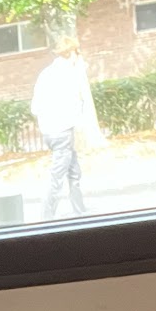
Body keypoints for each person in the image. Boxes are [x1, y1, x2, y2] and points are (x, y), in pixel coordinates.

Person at [31, 35, 100, 219]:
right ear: (71, 53)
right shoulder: (69, 74)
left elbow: (35, 107)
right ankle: (47, 216)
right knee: (57, 176)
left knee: (73, 169)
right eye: (77, 52)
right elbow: (77, 103)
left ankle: (79, 208)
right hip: (62, 131)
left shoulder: (46, 73)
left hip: (50, 131)